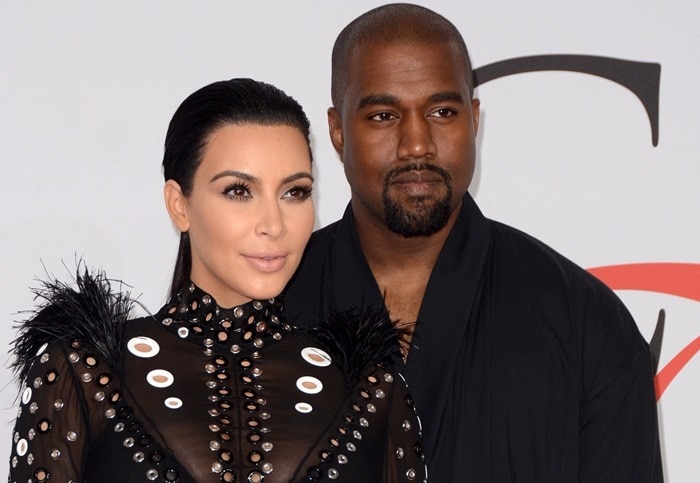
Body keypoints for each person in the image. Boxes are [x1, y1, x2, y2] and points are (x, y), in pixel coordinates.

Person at [283, 4, 663, 481]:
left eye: (442, 112)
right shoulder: (268, 310)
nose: (417, 143)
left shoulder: (586, 324)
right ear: (338, 131)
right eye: (383, 115)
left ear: (475, 119)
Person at [8, 78, 426, 482]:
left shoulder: (369, 385)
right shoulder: (84, 371)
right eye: (239, 191)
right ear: (179, 204)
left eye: (294, 192)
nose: (274, 225)